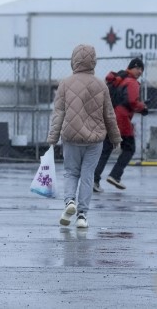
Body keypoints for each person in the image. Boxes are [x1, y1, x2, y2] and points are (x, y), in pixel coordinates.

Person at [47, 44, 121, 229]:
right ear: (93, 61)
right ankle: (82, 216)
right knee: (88, 175)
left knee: (71, 173)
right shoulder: (101, 85)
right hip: (95, 139)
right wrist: (115, 138)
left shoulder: (65, 83)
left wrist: (53, 138)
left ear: (74, 60)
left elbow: (58, 113)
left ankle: (69, 202)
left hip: (71, 137)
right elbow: (109, 114)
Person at [93, 57, 148, 191]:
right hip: (121, 120)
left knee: (105, 151)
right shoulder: (132, 82)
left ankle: (94, 181)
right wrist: (143, 107)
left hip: (110, 118)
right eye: (138, 68)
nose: (140, 72)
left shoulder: (120, 79)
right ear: (131, 68)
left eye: (142, 69)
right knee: (129, 148)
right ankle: (115, 176)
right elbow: (132, 101)